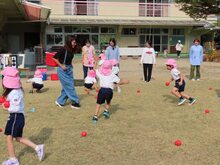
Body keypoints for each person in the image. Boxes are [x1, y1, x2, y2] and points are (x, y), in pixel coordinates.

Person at [1, 67, 44, 165]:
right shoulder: (16, 91)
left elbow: (15, 108)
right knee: (17, 138)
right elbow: (13, 102)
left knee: (9, 138)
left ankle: (13, 159)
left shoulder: (15, 92)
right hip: (16, 117)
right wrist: (5, 101)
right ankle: (37, 148)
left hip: (16, 116)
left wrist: (6, 108)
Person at [53, 36, 80, 109]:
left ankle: (60, 101)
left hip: (69, 69)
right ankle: (75, 102)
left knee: (67, 86)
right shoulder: (63, 49)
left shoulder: (71, 50)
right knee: (69, 86)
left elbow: (69, 58)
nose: (75, 44)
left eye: (75, 42)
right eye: (74, 42)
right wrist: (61, 66)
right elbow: (54, 58)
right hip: (62, 70)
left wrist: (70, 64)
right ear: (69, 42)